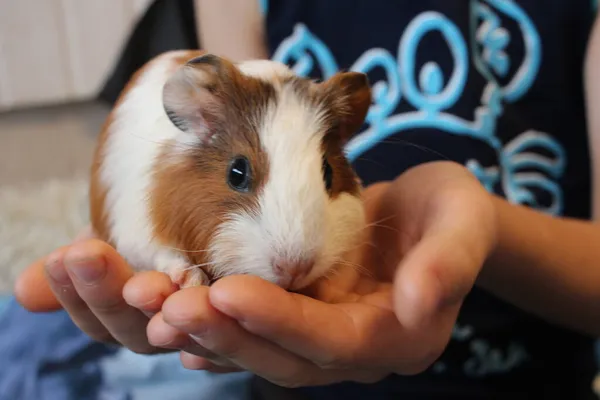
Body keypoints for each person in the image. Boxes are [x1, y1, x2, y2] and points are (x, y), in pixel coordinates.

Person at [13, 0, 600, 398]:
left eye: (324, 173)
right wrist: (167, 259)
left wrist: (490, 235)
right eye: (242, 175)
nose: (292, 258)